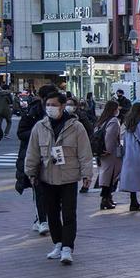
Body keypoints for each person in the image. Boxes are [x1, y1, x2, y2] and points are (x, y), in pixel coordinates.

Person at [25, 93, 93, 266]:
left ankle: (68, 248)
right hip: (47, 177)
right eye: (48, 104)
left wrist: (87, 174)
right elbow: (32, 152)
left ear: (62, 106)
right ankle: (58, 243)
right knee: (52, 213)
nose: (50, 107)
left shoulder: (75, 127)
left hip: (69, 177)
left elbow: (85, 153)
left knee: (69, 213)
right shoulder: (40, 126)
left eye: (53, 104)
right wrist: (30, 173)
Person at [17, 84, 55, 235]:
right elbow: (21, 132)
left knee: (52, 191)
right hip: (36, 156)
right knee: (39, 189)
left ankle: (41, 218)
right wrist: (37, 135)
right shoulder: (33, 112)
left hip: (54, 157)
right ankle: (42, 220)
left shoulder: (60, 112)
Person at [94, 101, 122, 210]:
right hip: (110, 154)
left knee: (106, 175)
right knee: (110, 177)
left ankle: (108, 198)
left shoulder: (102, 120)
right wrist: (109, 149)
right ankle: (105, 199)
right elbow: (110, 136)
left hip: (101, 152)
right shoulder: (114, 121)